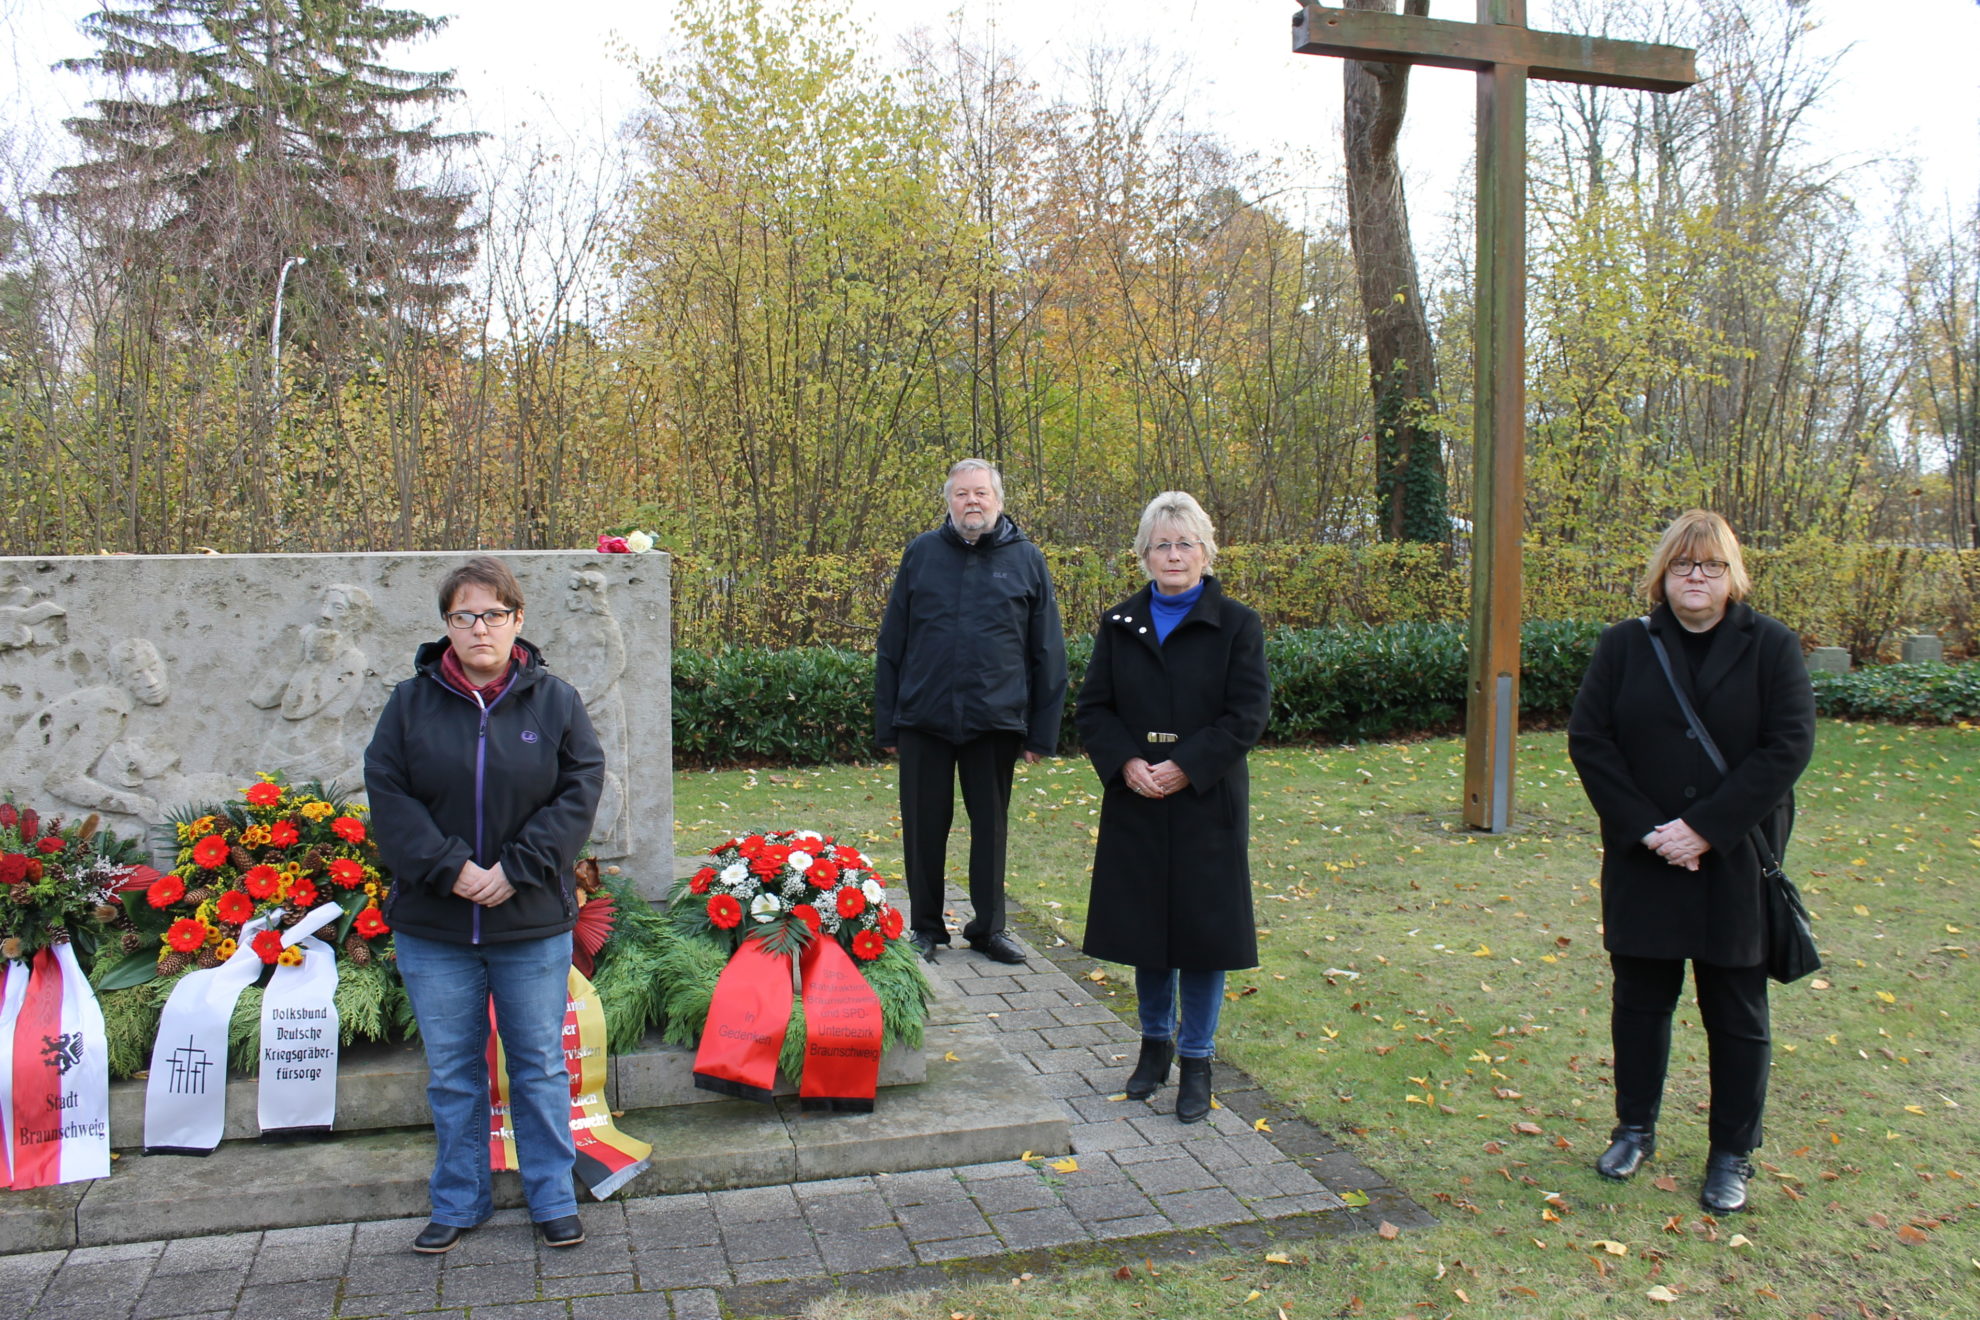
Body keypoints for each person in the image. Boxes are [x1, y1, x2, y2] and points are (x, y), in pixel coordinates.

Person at [1567, 510, 1815, 1214]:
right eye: (1683, 567)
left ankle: (1732, 1152)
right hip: (1645, 859)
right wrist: (1651, 830)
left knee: (1736, 1011)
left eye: (1709, 566)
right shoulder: (1624, 646)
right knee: (1640, 1004)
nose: (1695, 578)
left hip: (1734, 858)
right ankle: (1634, 1127)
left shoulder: (1771, 646)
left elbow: (1787, 747)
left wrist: (1705, 828)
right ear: (1663, 576)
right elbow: (1592, 741)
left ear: (1730, 574)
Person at [364, 557, 604, 1254]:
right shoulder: (408, 704)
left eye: (493, 614)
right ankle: (458, 1199)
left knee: (537, 1064)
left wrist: (515, 869)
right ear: (447, 626)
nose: (479, 629)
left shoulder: (554, 700)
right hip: (436, 924)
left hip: (528, 920)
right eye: (464, 616)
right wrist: (452, 870)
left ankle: (552, 1197)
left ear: (517, 621)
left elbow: (580, 787)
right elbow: (388, 792)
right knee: (453, 1072)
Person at [1074, 492, 1269, 1123]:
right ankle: (1153, 1048)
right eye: (1162, 544)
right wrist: (1127, 763)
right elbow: (1094, 709)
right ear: (1143, 555)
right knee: (1146, 935)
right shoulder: (1118, 624)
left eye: (1186, 543)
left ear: (1207, 553)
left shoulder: (1238, 624)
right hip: (1136, 801)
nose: (1174, 555)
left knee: (1201, 939)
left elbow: (1247, 713)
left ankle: (1197, 1060)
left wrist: (1187, 766)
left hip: (1205, 804)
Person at [875, 458, 1067, 966]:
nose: (972, 502)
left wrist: (1041, 734)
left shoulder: (1026, 559)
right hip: (923, 718)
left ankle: (988, 929)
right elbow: (893, 641)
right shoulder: (921, 553)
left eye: (981, 493)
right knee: (923, 828)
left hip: (995, 721)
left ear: (998, 500)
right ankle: (926, 927)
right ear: (949, 502)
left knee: (991, 829)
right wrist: (888, 721)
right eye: (962, 494)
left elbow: (1047, 651)